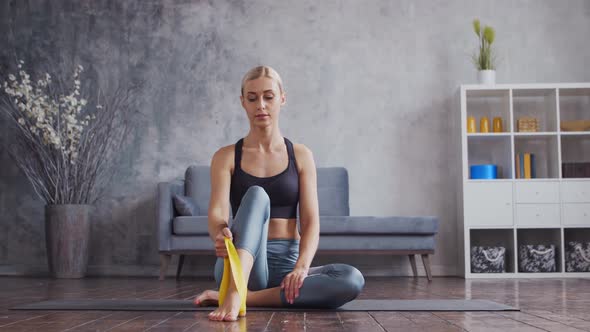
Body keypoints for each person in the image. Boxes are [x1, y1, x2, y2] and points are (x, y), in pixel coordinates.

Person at [194, 66, 364, 321]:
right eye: (252, 98)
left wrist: (302, 268)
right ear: (243, 103)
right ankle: (235, 288)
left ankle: (243, 297)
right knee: (257, 195)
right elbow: (218, 211)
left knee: (351, 279)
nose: (260, 105)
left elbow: (310, 222)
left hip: (287, 264)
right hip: (241, 264)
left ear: (282, 98)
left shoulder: (301, 155)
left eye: (268, 96)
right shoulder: (226, 156)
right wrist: (219, 232)